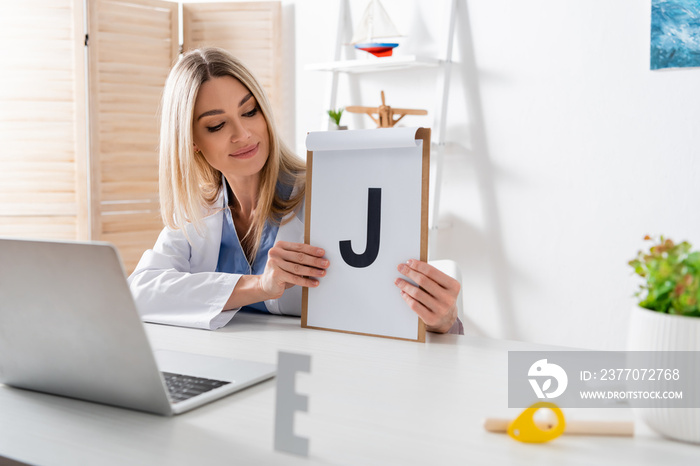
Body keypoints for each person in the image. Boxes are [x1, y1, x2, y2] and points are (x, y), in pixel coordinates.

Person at [128, 47, 462, 334]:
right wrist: (259, 286)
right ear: (192, 143)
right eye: (216, 125)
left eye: (250, 111)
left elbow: (389, 305)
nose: (243, 133)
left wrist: (442, 320)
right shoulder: (198, 212)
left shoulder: (328, 192)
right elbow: (141, 291)